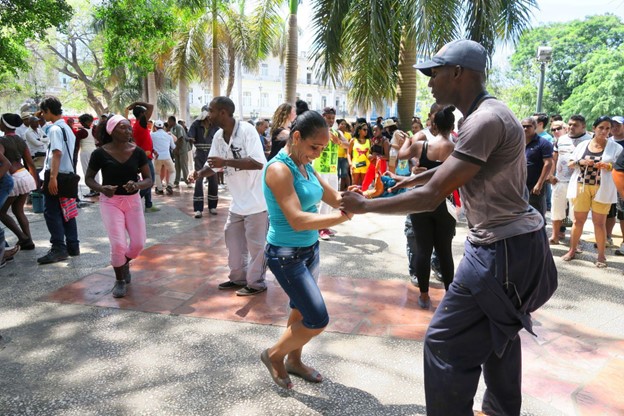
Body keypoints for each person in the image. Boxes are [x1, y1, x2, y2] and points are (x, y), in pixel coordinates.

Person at [341, 39, 557, 416]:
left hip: (500, 249)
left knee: (443, 342)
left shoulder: (484, 119)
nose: (428, 83)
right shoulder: (486, 115)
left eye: (434, 73)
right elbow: (454, 171)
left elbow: (433, 197)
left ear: (458, 73)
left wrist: (365, 206)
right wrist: (409, 181)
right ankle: (500, 409)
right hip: (513, 245)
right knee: (499, 330)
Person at [261, 110, 354, 390]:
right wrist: (342, 217)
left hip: (310, 250)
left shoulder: (305, 166)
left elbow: (335, 197)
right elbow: (297, 219)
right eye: (315, 147)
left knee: (300, 309)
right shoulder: (279, 169)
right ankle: (273, 355)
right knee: (317, 319)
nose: (317, 154)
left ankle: (294, 361)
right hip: (286, 256)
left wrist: (363, 197)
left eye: (323, 149)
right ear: (297, 137)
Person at [189, 97, 268, 296]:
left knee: (256, 247)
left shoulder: (247, 131)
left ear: (223, 112)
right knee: (233, 244)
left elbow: (258, 163)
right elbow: (214, 164)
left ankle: (256, 283)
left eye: (212, 111)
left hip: (257, 202)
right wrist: (199, 173)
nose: (209, 115)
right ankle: (238, 278)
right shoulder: (217, 136)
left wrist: (226, 161)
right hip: (238, 203)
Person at [85, 115, 152, 298]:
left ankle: (122, 263)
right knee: (118, 244)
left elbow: (148, 179)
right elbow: (88, 178)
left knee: (138, 243)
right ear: (111, 131)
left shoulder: (137, 151)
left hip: (133, 201)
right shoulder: (99, 153)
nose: (128, 131)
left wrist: (137, 185)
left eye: (129, 128)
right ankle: (120, 280)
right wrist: (101, 188)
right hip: (110, 202)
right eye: (123, 128)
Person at [397, 106, 457, 309]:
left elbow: (402, 155)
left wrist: (407, 138)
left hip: (421, 202)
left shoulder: (421, 146)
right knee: (445, 252)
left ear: (434, 125)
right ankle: (450, 297)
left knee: (423, 250)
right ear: (452, 126)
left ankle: (424, 296)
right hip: (444, 203)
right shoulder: (457, 149)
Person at [562, 116, 622, 268]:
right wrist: (580, 162)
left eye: (607, 128)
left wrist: (608, 166)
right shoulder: (583, 144)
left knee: (599, 223)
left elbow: (619, 168)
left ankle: (601, 256)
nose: (604, 131)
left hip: (603, 188)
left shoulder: (616, 148)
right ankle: (572, 250)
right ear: (594, 128)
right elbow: (570, 163)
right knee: (578, 221)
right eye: (601, 127)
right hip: (581, 186)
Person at [36, 96, 81, 264]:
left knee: (52, 212)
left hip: (57, 174)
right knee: (67, 212)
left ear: (48, 111)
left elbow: (56, 153)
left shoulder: (55, 129)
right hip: (67, 174)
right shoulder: (66, 128)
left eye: (43, 112)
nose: (42, 115)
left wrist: (52, 178)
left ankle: (58, 248)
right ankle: (72, 245)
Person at [548, 115, 591, 244]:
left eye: (575, 125)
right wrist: (551, 174)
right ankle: (555, 236)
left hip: (579, 181)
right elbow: (554, 158)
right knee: (556, 210)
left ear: (583, 126)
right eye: (570, 124)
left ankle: (575, 241)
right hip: (560, 180)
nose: (571, 127)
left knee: (576, 214)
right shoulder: (561, 139)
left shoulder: (589, 140)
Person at [0, 114, 38, 250]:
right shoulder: (21, 140)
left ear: (4, 125)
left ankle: (22, 237)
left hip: (13, 177)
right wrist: (36, 182)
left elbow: (4, 161)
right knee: (18, 210)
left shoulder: (2, 140)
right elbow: (31, 163)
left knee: (2, 212)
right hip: (25, 175)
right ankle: (29, 241)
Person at [314, 107, 349, 240]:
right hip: (320, 168)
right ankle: (319, 226)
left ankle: (325, 225)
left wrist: (338, 142)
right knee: (322, 198)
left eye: (333, 118)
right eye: (328, 118)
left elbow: (347, 145)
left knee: (331, 199)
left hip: (332, 169)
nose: (331, 120)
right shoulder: (317, 131)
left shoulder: (337, 132)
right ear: (322, 117)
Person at [124, 102, 159, 212]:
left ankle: (148, 204)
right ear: (142, 113)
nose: (147, 114)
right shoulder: (141, 123)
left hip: (145, 155)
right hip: (144, 157)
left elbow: (142, 141)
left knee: (147, 179)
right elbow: (151, 106)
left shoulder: (136, 126)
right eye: (144, 112)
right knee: (150, 181)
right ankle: (135, 201)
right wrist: (136, 103)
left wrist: (153, 150)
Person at [188, 105, 219, 218]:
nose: (208, 118)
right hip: (200, 154)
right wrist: (190, 138)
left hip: (212, 154)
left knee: (213, 179)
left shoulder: (215, 125)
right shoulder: (196, 124)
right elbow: (189, 135)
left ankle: (212, 206)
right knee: (198, 179)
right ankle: (198, 209)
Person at [522, 117, 554, 219]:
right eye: (523, 126)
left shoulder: (543, 143)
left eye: (529, 126)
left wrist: (539, 184)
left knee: (536, 214)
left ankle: (541, 234)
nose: (525, 129)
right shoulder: (517, 142)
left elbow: (548, 163)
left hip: (534, 186)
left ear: (535, 127)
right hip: (518, 184)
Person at [75, 114, 100, 197]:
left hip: (85, 152)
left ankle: (92, 189)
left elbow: (77, 145)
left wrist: (75, 156)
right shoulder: (94, 130)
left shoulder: (81, 132)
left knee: (87, 171)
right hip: (94, 151)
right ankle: (97, 188)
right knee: (95, 171)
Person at [151, 120, 176, 195]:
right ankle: (170, 185)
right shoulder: (168, 135)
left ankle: (159, 189)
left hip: (157, 157)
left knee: (157, 173)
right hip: (167, 157)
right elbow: (173, 147)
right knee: (172, 171)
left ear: (155, 127)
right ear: (163, 127)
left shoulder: (152, 135)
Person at [169, 116, 190, 188]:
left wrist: (177, 148)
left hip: (182, 149)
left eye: (169, 121)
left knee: (184, 165)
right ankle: (176, 181)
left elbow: (180, 138)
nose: (168, 123)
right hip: (176, 150)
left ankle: (188, 181)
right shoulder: (172, 128)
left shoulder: (178, 127)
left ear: (173, 121)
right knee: (177, 166)